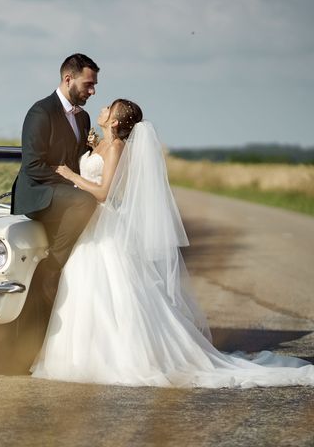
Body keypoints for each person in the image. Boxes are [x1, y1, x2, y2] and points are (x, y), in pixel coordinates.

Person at [31, 99, 314, 388]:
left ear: (114, 121)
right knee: (86, 288)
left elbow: (103, 193)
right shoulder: (102, 143)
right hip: (89, 226)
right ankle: (83, 355)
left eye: (108, 108)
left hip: (104, 225)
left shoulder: (117, 147)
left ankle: (118, 357)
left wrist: (71, 175)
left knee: (111, 290)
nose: (101, 109)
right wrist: (92, 148)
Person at [11, 53, 100, 308]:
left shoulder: (83, 117)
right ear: (68, 79)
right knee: (84, 201)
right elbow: (33, 165)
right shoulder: (41, 112)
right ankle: (52, 269)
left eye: (94, 85)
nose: (92, 91)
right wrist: (74, 185)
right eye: (88, 84)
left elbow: (77, 160)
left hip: (65, 194)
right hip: (38, 193)